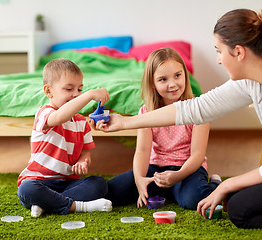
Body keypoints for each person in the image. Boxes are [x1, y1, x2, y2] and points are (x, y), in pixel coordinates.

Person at [94, 8, 262, 229]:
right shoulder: (248, 82)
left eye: (219, 51)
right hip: (159, 170)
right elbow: (196, 108)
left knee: (232, 206)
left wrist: (222, 187)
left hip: (188, 172)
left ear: (239, 52)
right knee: (239, 208)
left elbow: (196, 126)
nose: (218, 60)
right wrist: (125, 123)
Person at [105, 48, 221, 210]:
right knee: (112, 192)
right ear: (152, 83)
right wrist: (139, 180)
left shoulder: (199, 108)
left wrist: (178, 176)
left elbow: (197, 155)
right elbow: (143, 151)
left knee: (194, 200)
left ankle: (215, 183)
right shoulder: (146, 112)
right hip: (155, 170)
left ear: (185, 75)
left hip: (187, 169)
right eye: (163, 79)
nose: (172, 84)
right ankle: (166, 191)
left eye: (177, 76)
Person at [17, 58, 112, 217]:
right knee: (27, 189)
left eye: (80, 89)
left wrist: (83, 161)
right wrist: (88, 95)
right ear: (48, 91)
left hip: (68, 184)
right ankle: (80, 206)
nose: (76, 94)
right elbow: (60, 116)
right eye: (69, 89)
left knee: (99, 184)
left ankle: (47, 204)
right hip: (39, 181)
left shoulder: (82, 122)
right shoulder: (45, 113)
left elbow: (85, 153)